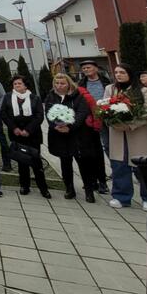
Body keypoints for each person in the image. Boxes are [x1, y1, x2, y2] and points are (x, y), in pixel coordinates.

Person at [103, 63, 147, 210]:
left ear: (130, 73)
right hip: (118, 133)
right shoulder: (111, 89)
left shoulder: (143, 90)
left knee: (143, 167)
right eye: (116, 72)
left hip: (140, 133)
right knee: (119, 165)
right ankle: (121, 196)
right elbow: (103, 107)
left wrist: (130, 125)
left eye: (122, 72)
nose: (118, 75)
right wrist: (111, 120)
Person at [44, 73, 99, 201]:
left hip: (77, 134)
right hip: (59, 135)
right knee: (65, 162)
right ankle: (69, 188)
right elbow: (48, 112)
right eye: (57, 83)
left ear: (69, 84)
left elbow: (82, 112)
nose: (59, 86)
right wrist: (55, 125)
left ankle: (89, 190)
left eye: (62, 83)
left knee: (83, 163)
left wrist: (70, 126)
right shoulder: (51, 96)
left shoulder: (77, 96)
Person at [0, 75, 49, 198]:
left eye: (19, 84)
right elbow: (4, 114)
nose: (17, 86)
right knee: (22, 162)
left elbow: (39, 116)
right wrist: (14, 128)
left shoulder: (34, 98)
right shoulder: (7, 97)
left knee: (36, 161)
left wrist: (28, 130)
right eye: (15, 84)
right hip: (16, 135)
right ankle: (24, 185)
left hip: (32, 135)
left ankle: (43, 188)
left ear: (25, 85)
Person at [77, 60, 111, 195]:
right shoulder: (81, 84)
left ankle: (112, 171)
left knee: (109, 146)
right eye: (84, 68)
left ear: (96, 68)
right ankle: (95, 180)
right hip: (89, 121)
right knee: (93, 151)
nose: (86, 70)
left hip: (107, 117)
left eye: (88, 67)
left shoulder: (106, 82)